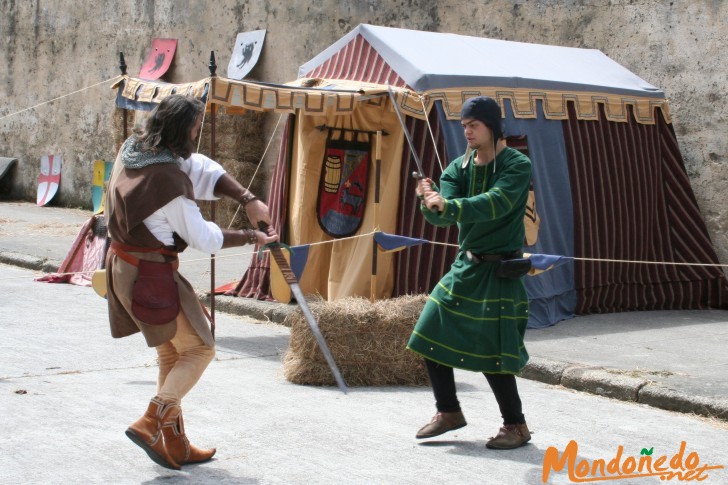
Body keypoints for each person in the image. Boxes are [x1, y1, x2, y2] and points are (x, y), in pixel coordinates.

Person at [104, 94, 278, 469]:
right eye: (196, 129)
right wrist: (252, 236)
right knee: (200, 349)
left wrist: (247, 198)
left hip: (128, 267)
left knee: (171, 353)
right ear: (181, 131)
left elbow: (197, 167)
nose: (198, 135)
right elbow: (205, 239)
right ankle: (152, 420)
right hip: (148, 272)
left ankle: (176, 441)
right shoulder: (167, 182)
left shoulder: (134, 148)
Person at [407, 96, 533, 450]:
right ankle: (448, 411)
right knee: (429, 329)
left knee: (494, 350)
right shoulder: (456, 169)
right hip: (466, 266)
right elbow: (443, 216)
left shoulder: (516, 164)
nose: (467, 131)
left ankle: (516, 426)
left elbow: (497, 202)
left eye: (473, 125)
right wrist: (428, 198)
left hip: (500, 270)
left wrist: (450, 204)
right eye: (464, 125)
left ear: (491, 126)